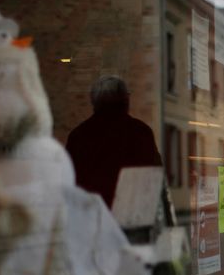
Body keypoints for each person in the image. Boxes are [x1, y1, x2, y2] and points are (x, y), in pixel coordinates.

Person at [66, 76, 162, 208]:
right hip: (130, 214)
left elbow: (70, 181)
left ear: (94, 101)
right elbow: (154, 177)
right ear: (125, 100)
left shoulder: (78, 136)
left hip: (92, 215)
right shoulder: (140, 132)